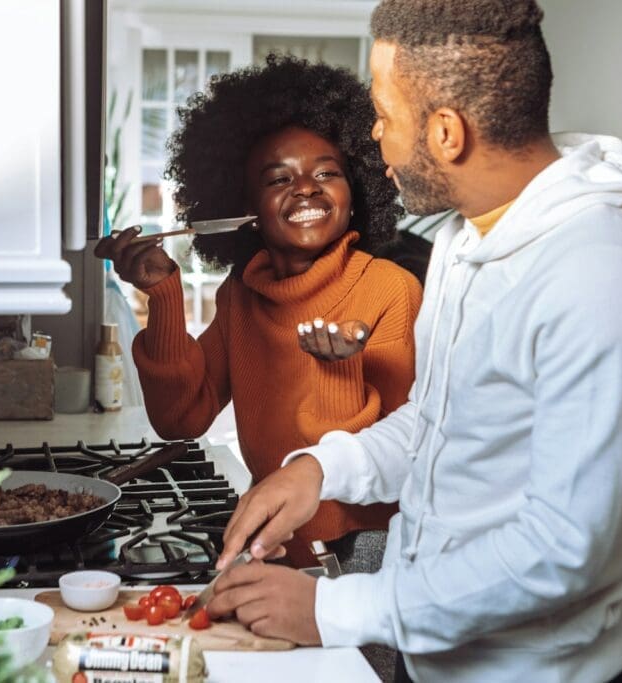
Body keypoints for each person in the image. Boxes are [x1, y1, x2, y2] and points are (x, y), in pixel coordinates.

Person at [208, 2, 622, 682]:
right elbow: (445, 423)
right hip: (433, 656)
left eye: (384, 114)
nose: (373, 138)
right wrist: (320, 469)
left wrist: (333, 608)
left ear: (445, 132)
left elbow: (561, 550)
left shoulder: (601, 276)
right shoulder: (468, 239)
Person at [94, 55, 422, 572]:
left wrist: (337, 368)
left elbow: (403, 455)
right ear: (244, 207)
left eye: (326, 173)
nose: (307, 187)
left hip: (367, 553)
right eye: (278, 179)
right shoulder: (242, 295)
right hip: (275, 542)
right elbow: (181, 419)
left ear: (356, 192)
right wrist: (163, 296)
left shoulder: (390, 290)